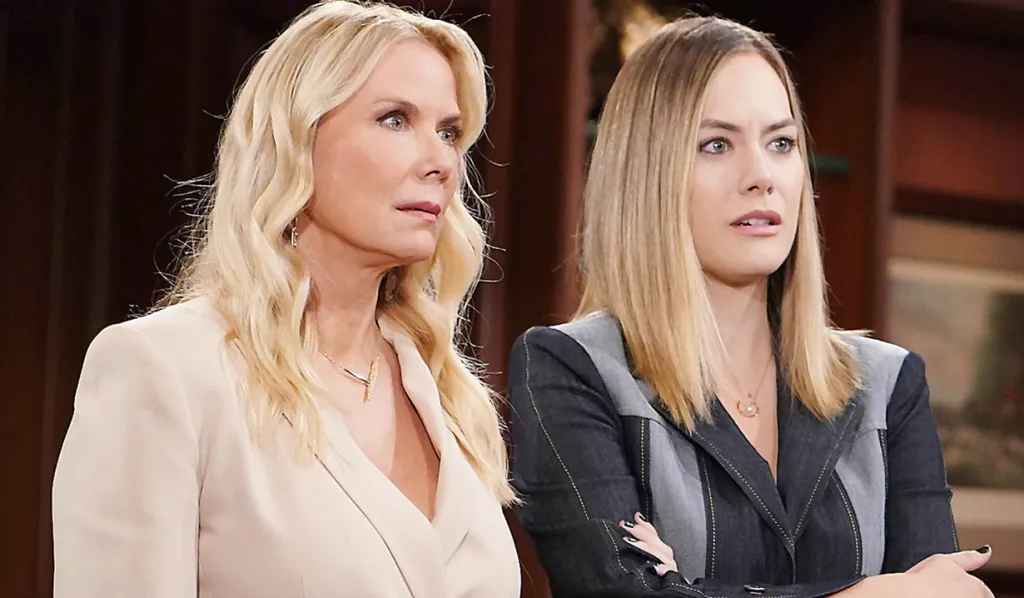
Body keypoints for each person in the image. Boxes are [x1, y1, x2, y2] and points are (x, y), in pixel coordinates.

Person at [507, 15, 995, 598]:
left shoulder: (889, 384)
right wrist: (869, 591)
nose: (762, 176)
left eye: (781, 143)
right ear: (647, 173)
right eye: (717, 145)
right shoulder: (572, 368)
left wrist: (689, 587)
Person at [51, 2, 520, 597]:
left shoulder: (449, 392)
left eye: (448, 132)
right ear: (296, 140)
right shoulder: (166, 368)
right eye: (395, 119)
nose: (440, 163)